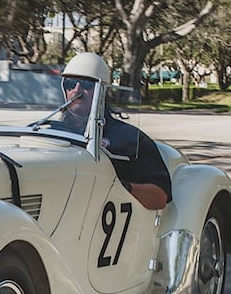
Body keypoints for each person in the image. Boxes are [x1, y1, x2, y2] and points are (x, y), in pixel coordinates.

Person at [60, 52, 172, 210]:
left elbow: (159, 197)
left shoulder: (129, 139)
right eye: (70, 83)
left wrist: (118, 187)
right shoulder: (49, 132)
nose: (77, 90)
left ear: (103, 91)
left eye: (86, 84)